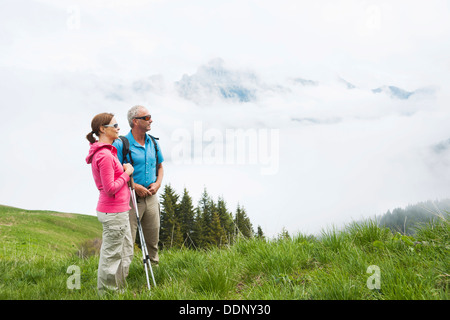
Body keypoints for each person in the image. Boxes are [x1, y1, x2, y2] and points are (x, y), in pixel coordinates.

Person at [85, 112, 134, 293]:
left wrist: (121, 169)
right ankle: (107, 293)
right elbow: (110, 188)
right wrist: (127, 173)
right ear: (102, 129)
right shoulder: (104, 155)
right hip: (113, 212)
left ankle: (119, 290)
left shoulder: (107, 153)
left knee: (124, 252)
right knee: (112, 256)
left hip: (119, 210)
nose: (118, 128)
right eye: (115, 125)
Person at [113, 105, 164, 266]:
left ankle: (154, 270)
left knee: (153, 239)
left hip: (151, 197)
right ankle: (122, 277)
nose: (151, 120)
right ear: (135, 121)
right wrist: (135, 185)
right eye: (147, 118)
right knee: (127, 240)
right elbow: (116, 171)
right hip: (130, 199)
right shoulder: (121, 144)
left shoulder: (153, 143)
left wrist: (157, 184)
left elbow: (160, 167)